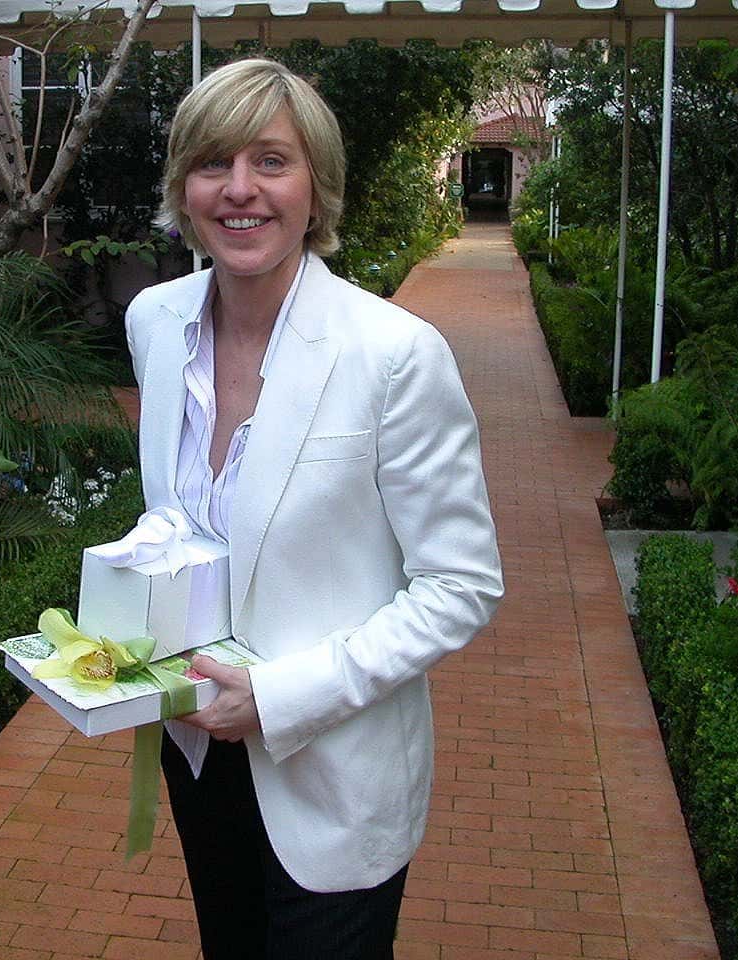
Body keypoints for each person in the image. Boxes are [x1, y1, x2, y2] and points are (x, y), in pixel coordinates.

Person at [124, 58, 503, 960]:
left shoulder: (394, 355)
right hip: (201, 754)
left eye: (271, 161)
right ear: (184, 187)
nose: (240, 190)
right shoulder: (155, 321)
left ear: (316, 187)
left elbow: (461, 584)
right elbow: (190, 524)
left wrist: (281, 696)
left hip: (335, 776)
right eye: (214, 163)